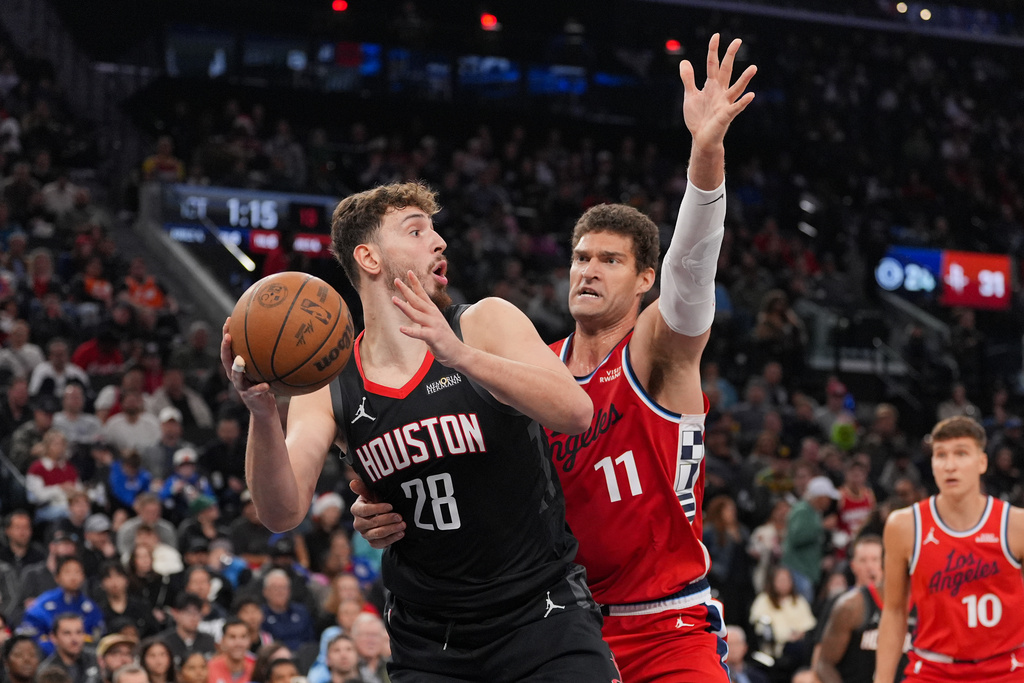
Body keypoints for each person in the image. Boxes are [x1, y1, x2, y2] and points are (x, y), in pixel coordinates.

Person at [351, 33, 757, 683]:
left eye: (609, 260)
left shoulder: (656, 350)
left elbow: (691, 274)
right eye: (580, 256)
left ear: (644, 277)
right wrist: (384, 506)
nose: (588, 270)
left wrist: (705, 159)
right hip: (549, 622)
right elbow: (453, 467)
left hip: (663, 625)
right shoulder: (528, 368)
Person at [223, 180, 616, 675]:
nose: (439, 241)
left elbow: (576, 413)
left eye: (435, 230)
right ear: (369, 258)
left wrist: (460, 356)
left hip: (542, 612)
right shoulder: (331, 384)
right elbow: (281, 513)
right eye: (416, 231)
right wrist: (261, 413)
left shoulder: (484, 323)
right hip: (431, 638)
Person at [877, 416, 1024, 683]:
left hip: (1006, 668)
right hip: (933, 669)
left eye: (961, 454)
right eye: (940, 455)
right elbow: (895, 610)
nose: (949, 465)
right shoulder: (904, 526)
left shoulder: (1016, 524)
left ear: (982, 462)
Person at [814, 535, 897, 683]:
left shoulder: (904, 601)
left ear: (885, 564)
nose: (870, 566)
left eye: (875, 559)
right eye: (863, 560)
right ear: (853, 566)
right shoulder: (843, 603)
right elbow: (821, 657)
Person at [206, 618, 255, 683]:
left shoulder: (256, 670)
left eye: (243, 637)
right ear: (223, 641)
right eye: (232, 637)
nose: (238, 643)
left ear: (249, 641)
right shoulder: (209, 668)